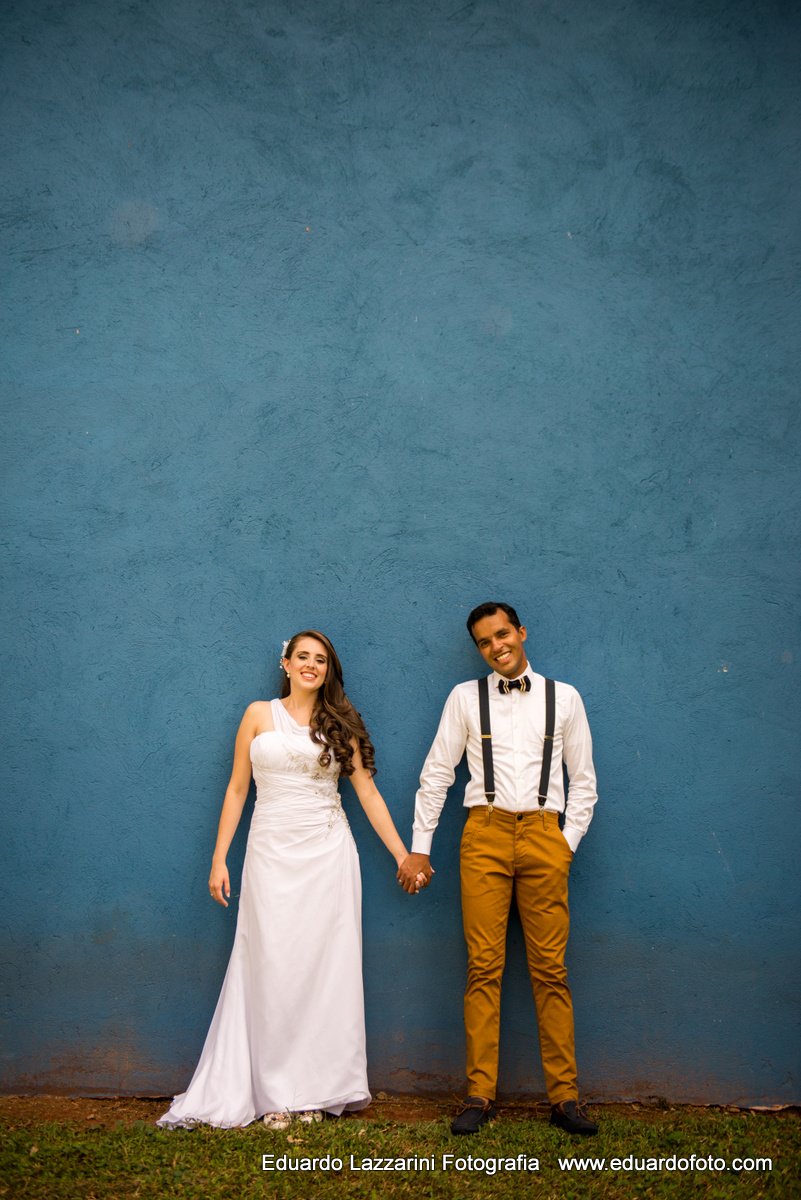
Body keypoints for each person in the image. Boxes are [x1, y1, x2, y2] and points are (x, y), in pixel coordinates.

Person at [159, 630, 425, 1129]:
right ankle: (273, 1092)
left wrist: (402, 855)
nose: (311, 665)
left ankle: (314, 1091)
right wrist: (219, 859)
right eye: (302, 656)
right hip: (269, 854)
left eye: (320, 659)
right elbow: (238, 789)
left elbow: (366, 794)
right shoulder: (258, 714)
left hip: (328, 855)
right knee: (272, 965)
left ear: (329, 670)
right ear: (285, 662)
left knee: (325, 970)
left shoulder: (338, 725)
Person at [397, 602, 598, 1136]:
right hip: (482, 834)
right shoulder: (465, 698)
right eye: (485, 642)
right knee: (483, 968)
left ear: (521, 632)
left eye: (502, 634)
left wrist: (564, 845)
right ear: (480, 649)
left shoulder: (565, 698)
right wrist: (420, 846)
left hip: (543, 834)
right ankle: (480, 1094)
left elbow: (585, 783)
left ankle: (565, 1098)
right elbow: (436, 773)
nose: (496, 646)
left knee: (550, 970)